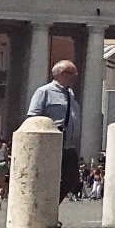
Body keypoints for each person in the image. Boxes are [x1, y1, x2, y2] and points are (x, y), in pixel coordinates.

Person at [25, 58, 83, 202]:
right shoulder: (44, 92)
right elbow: (33, 117)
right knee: (48, 179)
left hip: (69, 146)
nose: (75, 77)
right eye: (72, 73)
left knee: (72, 178)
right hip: (51, 144)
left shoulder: (70, 94)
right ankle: (45, 208)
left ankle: (50, 206)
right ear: (61, 74)